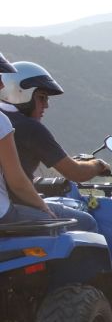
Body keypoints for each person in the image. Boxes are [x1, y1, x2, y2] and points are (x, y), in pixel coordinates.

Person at [0, 61, 109, 231]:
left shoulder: (5, 117)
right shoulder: (30, 128)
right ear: (22, 93)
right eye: (41, 97)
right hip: (15, 207)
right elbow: (75, 172)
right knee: (88, 222)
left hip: (11, 202)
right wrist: (98, 165)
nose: (46, 105)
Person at [0, 52, 58, 225]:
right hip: (3, 215)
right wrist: (44, 208)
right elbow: (16, 181)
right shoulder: (1, 121)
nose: (2, 85)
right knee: (83, 222)